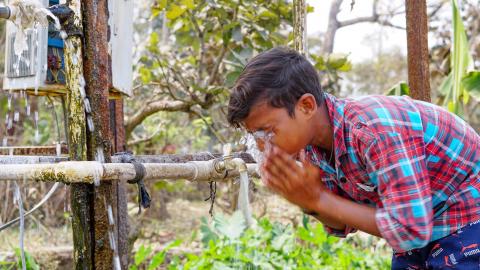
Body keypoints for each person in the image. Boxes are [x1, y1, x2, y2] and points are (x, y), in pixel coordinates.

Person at [227, 47, 480, 269]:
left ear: (306, 106)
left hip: (466, 212)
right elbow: (343, 223)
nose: (262, 145)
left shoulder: (373, 131)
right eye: (255, 135)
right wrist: (307, 202)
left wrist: (318, 199)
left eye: (268, 131)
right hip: (421, 224)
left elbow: (410, 229)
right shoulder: (312, 149)